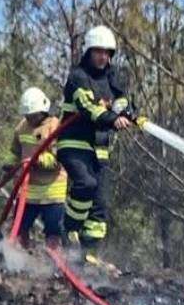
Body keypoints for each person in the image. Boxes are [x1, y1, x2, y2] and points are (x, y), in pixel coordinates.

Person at [56, 25, 133, 268]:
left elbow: (121, 98)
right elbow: (88, 106)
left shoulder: (111, 76)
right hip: (73, 143)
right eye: (98, 52)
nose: (103, 57)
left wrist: (127, 111)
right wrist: (112, 118)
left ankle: (89, 254)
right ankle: (69, 229)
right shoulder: (77, 76)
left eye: (107, 52)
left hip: (99, 147)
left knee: (100, 204)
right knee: (85, 184)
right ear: (89, 51)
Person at [10, 87, 66, 250]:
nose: (30, 119)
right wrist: (11, 164)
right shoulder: (22, 127)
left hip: (52, 190)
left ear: (43, 111)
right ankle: (18, 257)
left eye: (33, 115)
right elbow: (15, 151)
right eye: (27, 115)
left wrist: (37, 161)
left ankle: (54, 262)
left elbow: (59, 158)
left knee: (53, 230)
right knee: (20, 226)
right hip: (28, 189)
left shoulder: (55, 126)